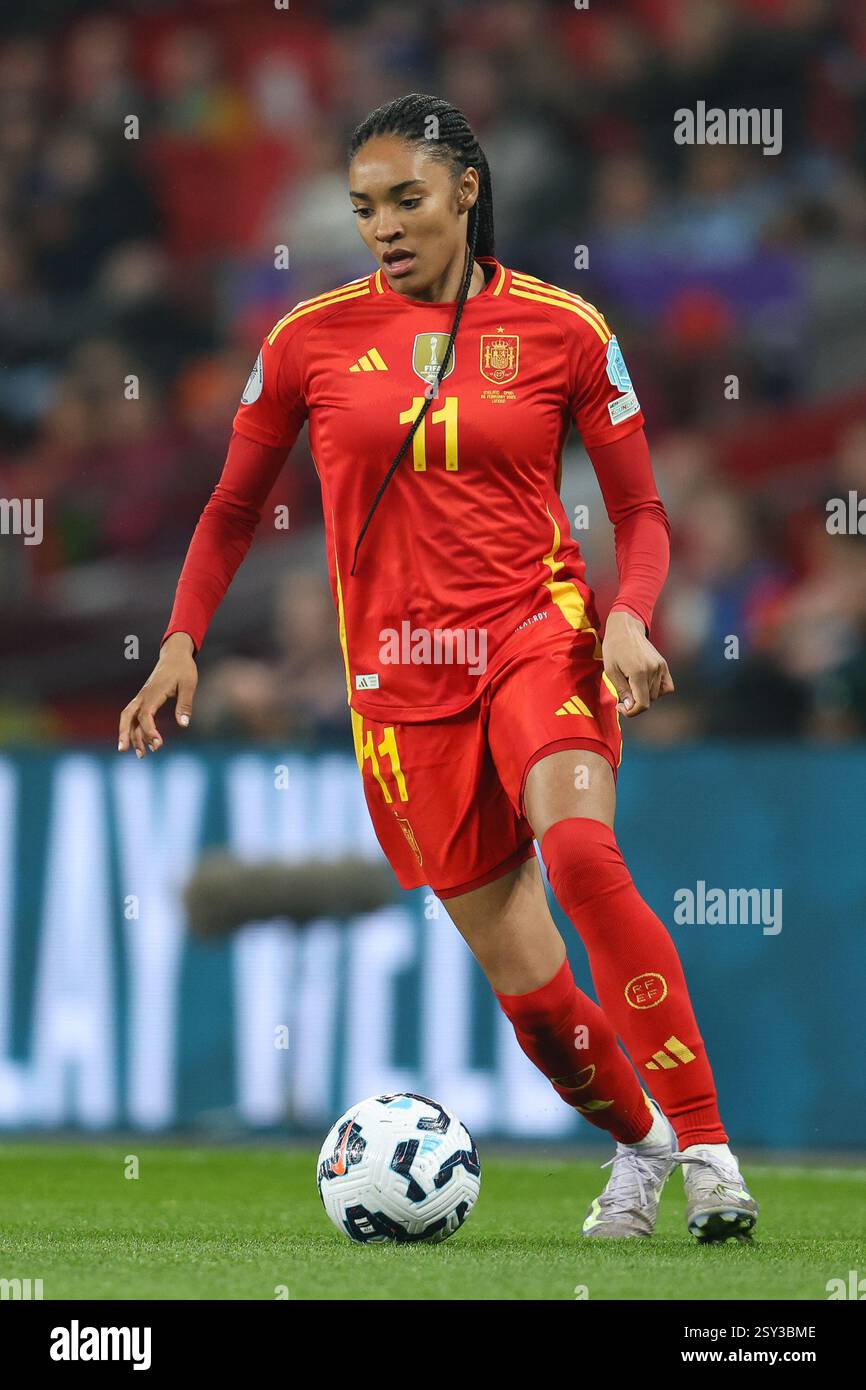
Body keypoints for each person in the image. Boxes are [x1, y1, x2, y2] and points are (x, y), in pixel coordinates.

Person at [119, 93, 758, 1243]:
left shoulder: (564, 329)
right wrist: (180, 638)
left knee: (578, 851)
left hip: (535, 633)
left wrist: (628, 615)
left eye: (406, 200)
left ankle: (709, 1150)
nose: (383, 226)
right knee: (533, 996)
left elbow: (642, 510)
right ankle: (640, 1144)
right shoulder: (304, 339)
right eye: (365, 208)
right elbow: (228, 511)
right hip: (398, 683)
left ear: (467, 189)